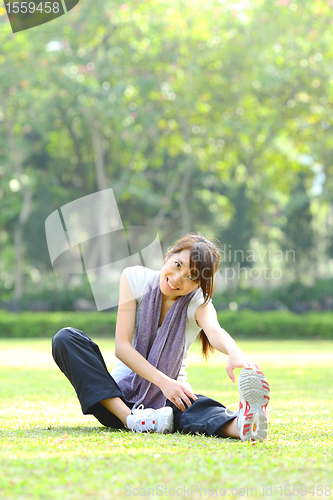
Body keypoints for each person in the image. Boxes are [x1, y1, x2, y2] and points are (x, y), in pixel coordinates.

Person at [52, 233, 270, 441]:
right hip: (117, 401)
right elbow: (122, 347)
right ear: (168, 257)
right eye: (177, 265)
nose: (177, 279)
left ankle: (243, 425)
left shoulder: (198, 302)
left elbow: (214, 330)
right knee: (66, 338)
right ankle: (132, 420)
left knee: (196, 410)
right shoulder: (134, 278)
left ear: (199, 284)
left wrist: (234, 352)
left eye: (191, 277)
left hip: (169, 403)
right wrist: (164, 382)